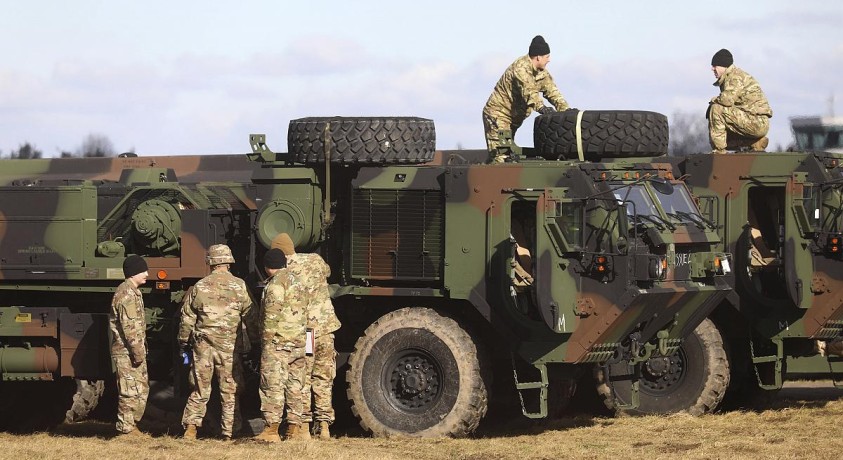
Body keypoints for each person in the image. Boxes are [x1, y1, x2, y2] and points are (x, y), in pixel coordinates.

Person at [179, 244, 257, 440]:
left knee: (200, 387)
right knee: (230, 390)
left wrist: (183, 342)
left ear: (211, 262)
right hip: (229, 349)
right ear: (229, 262)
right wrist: (256, 342)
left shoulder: (200, 286)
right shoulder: (239, 286)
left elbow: (187, 318)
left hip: (203, 347)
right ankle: (229, 431)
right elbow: (251, 316)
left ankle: (191, 428)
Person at [272, 233, 340, 440]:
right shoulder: (315, 260)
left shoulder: (285, 272)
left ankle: (303, 426)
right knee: (324, 377)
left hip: (308, 333)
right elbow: (327, 271)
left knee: (304, 377)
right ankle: (325, 425)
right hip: (326, 330)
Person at [483, 35, 569, 163]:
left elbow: (552, 92)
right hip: (498, 116)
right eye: (547, 57)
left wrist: (566, 110)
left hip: (513, 119)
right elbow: (529, 91)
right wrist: (541, 107)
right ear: (538, 57)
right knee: (502, 157)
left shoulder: (541, 72)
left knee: (508, 155)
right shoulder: (521, 68)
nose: (549, 60)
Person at [255, 248, 310, 442]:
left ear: (267, 267)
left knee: (273, 385)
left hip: (278, 343)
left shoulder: (275, 285)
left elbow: (271, 315)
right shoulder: (298, 282)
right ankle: (294, 429)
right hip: (299, 342)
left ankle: (271, 430)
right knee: (295, 385)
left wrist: (266, 342)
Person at [109, 254, 150, 436]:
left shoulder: (133, 291)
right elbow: (130, 327)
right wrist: (138, 352)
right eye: (143, 271)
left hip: (132, 352)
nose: (147, 274)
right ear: (133, 273)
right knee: (129, 391)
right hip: (126, 353)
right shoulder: (126, 293)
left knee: (140, 389)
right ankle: (126, 429)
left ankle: (132, 426)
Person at [708, 48, 773, 154]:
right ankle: (755, 142)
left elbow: (727, 100)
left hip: (755, 121)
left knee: (716, 109)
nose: (712, 69)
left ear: (723, 66)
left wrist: (714, 100)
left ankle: (719, 152)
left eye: (715, 65)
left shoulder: (735, 77)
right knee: (724, 136)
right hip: (756, 122)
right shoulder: (733, 76)